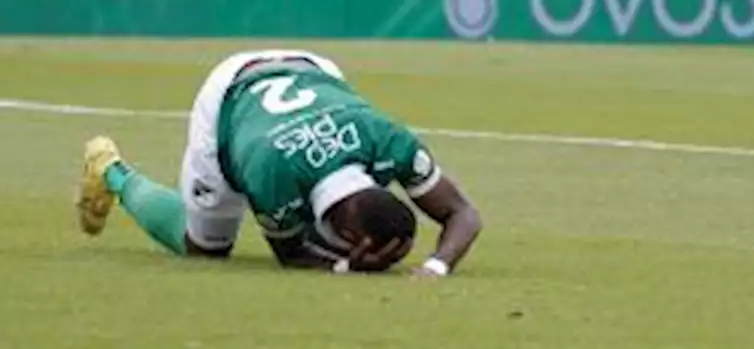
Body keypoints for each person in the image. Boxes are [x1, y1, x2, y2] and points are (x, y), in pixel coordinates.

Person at [77, 49, 482, 274]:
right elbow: (290, 254)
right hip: (230, 97)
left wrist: (437, 265)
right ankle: (112, 171)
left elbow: (463, 213)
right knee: (206, 250)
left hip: (314, 69)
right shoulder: (272, 173)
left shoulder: (390, 142)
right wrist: (345, 266)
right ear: (344, 232)